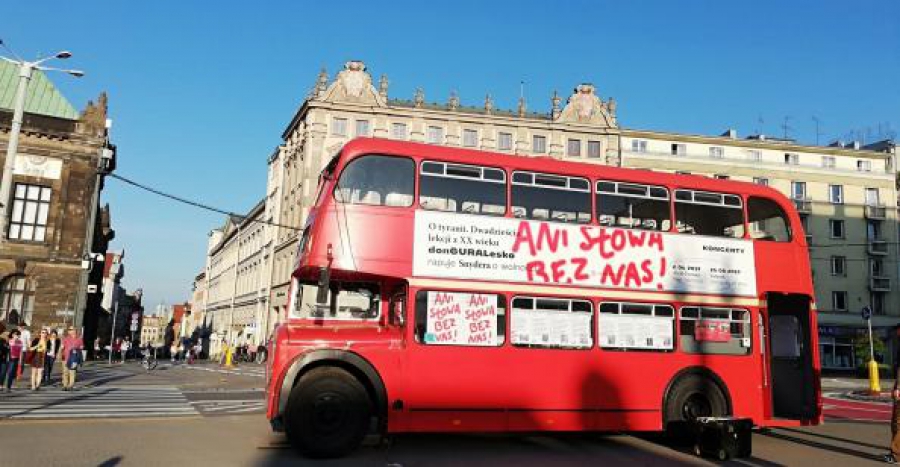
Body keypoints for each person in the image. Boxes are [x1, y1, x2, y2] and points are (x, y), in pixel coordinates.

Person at [58, 327, 84, 391]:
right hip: (66, 358)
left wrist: (78, 349)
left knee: (72, 372)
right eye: (69, 329)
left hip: (74, 358)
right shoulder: (66, 339)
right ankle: (65, 385)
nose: (70, 331)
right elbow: (62, 347)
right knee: (65, 372)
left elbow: (81, 347)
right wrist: (59, 353)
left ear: (75, 331)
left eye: (71, 329)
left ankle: (71, 385)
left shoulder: (79, 339)